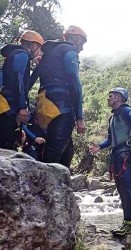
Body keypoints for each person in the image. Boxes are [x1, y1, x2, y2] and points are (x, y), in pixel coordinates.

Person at [89, 87, 131, 236]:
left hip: (126, 154)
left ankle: (130, 224)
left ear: (119, 98)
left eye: (111, 96)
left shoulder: (125, 110)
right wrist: (99, 147)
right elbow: (110, 139)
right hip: (116, 155)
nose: (108, 98)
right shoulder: (113, 117)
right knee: (121, 189)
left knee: (126, 187)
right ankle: (126, 223)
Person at [36, 25, 87, 168]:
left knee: (66, 148)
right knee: (55, 150)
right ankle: (45, 186)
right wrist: (79, 117)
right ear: (76, 39)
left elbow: (34, 77)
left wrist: (22, 106)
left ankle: (62, 185)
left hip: (45, 101)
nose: (82, 48)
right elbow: (75, 83)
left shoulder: (49, 53)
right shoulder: (70, 51)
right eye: (82, 43)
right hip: (61, 106)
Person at [0, 30, 44, 150]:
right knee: (7, 143)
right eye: (39, 48)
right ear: (33, 45)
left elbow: (26, 86)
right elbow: (18, 79)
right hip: (9, 106)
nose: (39, 52)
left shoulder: (17, 55)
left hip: (8, 104)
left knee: (9, 141)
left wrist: (38, 69)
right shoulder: (22, 54)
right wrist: (22, 107)